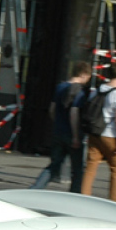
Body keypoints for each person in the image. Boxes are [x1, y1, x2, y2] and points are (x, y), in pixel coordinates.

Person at [31, 61, 92, 191]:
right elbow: (74, 113)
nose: (87, 80)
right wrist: (76, 136)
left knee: (54, 165)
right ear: (83, 74)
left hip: (58, 131)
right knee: (77, 170)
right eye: (87, 77)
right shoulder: (79, 92)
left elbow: (52, 109)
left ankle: (36, 188)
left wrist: (57, 122)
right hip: (72, 134)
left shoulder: (60, 87)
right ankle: (74, 196)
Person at [80, 62, 116, 203]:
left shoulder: (97, 90)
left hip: (94, 133)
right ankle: (115, 202)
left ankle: (83, 199)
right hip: (111, 136)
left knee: (90, 168)